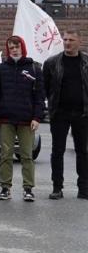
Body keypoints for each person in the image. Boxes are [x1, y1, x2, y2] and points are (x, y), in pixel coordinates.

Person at [0, 35, 45, 202]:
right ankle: (5, 188)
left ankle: (28, 189)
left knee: (26, 156)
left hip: (27, 120)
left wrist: (37, 117)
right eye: (11, 47)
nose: (14, 49)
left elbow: (39, 95)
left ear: (22, 47)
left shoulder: (34, 68)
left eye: (16, 46)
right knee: (6, 155)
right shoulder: (1, 68)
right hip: (6, 119)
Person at [43, 29, 88, 200]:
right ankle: (57, 187)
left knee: (83, 151)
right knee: (57, 151)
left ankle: (84, 188)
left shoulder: (86, 62)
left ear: (79, 41)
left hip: (82, 114)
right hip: (59, 113)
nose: (67, 42)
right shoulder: (52, 63)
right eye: (65, 39)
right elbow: (46, 88)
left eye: (71, 39)